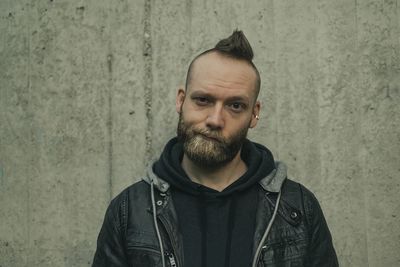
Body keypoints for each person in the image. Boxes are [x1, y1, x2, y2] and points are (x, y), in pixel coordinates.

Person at [92, 30, 338, 267]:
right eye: (203, 100)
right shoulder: (128, 211)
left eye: (235, 106)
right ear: (181, 99)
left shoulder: (298, 207)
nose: (215, 119)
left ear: (254, 114)